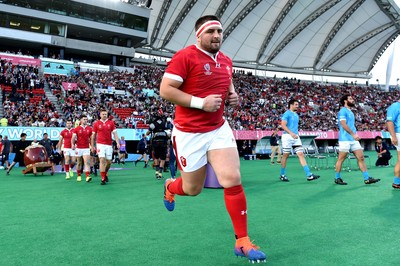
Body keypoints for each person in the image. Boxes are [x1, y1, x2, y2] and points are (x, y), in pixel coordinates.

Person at [159, 15, 266, 262]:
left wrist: (233, 95)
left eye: (219, 31)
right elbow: (166, 90)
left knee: (232, 178)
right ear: (199, 35)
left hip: (218, 128)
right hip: (189, 133)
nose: (217, 36)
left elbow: (226, 82)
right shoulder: (185, 56)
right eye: (211, 32)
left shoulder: (226, 61)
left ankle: (242, 241)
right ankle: (169, 187)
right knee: (192, 189)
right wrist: (200, 103)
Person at [334, 95, 380, 185]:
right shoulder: (343, 111)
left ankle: (367, 178)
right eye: (350, 99)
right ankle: (337, 178)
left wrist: (354, 135)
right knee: (341, 159)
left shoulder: (350, 111)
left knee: (361, 158)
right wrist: (353, 134)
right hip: (345, 139)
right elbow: (343, 124)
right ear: (345, 101)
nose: (353, 100)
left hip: (353, 139)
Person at [279, 99, 320, 182]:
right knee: (285, 156)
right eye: (296, 104)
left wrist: (295, 134)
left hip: (295, 137)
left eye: (298, 104)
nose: (297, 106)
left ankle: (309, 175)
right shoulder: (287, 113)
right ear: (291, 105)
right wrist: (291, 133)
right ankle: (282, 175)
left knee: (301, 154)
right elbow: (282, 125)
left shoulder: (296, 115)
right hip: (287, 137)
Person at [91, 110, 119, 185]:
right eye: (103, 114)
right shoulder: (96, 123)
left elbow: (115, 133)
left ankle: (105, 172)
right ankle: (103, 178)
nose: (104, 115)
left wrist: (118, 143)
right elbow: (93, 136)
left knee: (109, 162)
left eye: (105, 114)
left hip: (109, 145)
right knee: (102, 160)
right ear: (100, 115)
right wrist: (92, 146)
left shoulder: (111, 123)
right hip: (100, 144)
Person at [72, 116, 93, 182]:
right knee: (79, 163)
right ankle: (79, 175)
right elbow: (73, 138)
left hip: (86, 148)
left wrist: (92, 146)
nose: (85, 120)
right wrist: (72, 144)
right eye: (84, 119)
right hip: (78, 148)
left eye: (86, 119)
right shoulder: (77, 128)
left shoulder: (89, 128)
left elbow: (91, 138)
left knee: (87, 162)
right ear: (81, 120)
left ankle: (87, 176)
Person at [386, 100, 400, 189]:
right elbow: (389, 121)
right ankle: (396, 182)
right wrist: (393, 136)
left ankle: (396, 182)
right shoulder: (395, 106)